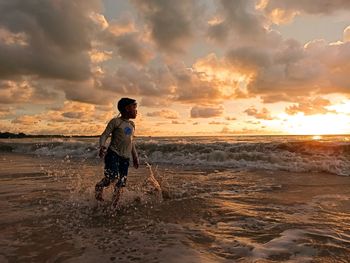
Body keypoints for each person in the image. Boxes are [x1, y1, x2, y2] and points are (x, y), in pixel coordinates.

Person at [95, 97, 139, 208]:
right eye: (134, 107)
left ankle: (114, 205)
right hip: (113, 154)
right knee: (112, 177)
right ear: (127, 108)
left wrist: (135, 156)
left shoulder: (132, 125)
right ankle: (99, 186)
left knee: (121, 182)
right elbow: (104, 135)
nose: (136, 110)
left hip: (125, 157)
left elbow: (131, 141)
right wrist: (102, 146)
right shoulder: (116, 122)